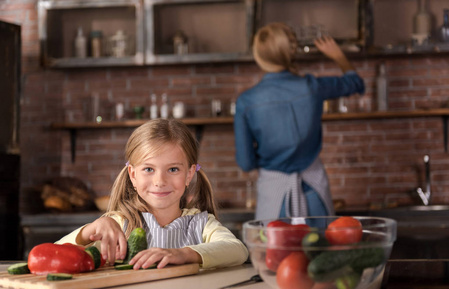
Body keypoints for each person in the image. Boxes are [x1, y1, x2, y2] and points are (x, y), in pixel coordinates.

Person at [56, 119, 248, 270]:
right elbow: (56, 255)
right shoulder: (119, 224)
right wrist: (89, 231)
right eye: (148, 169)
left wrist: (183, 254)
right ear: (133, 175)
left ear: (189, 174)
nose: (160, 181)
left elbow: (238, 250)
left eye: (173, 169)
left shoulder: (201, 224)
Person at [234, 22, 365, 220]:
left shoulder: (247, 101)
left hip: (274, 197)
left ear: (259, 57)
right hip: (315, 194)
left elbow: (245, 163)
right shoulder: (312, 86)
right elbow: (356, 83)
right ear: (290, 53)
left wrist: (271, 160)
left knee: (276, 251)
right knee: (322, 249)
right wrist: (338, 55)